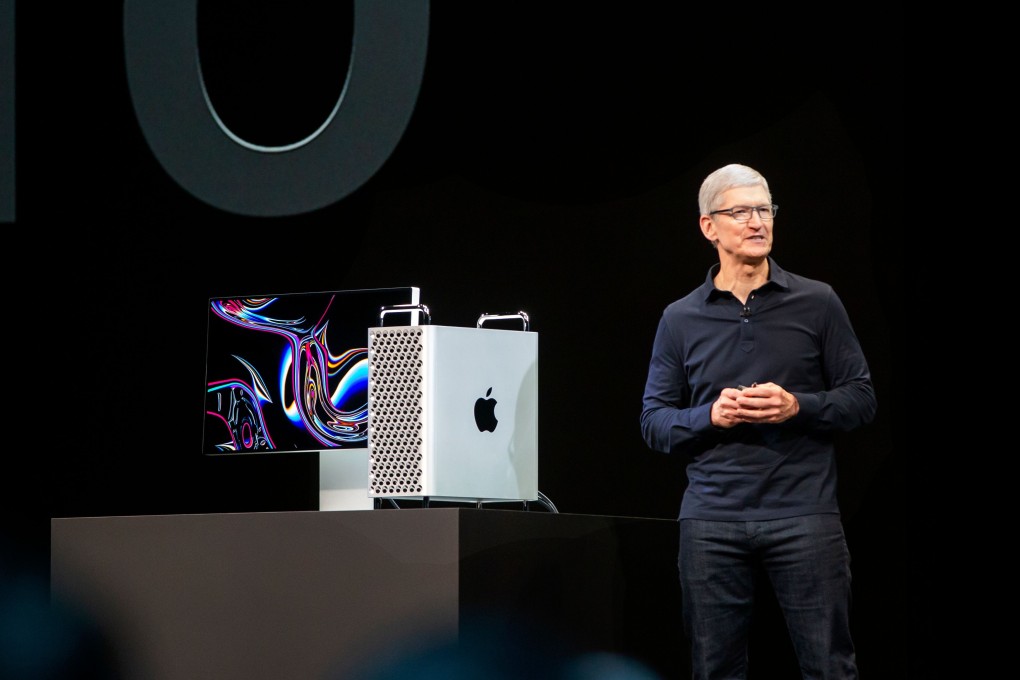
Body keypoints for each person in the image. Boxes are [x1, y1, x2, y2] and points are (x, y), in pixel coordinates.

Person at [639, 163, 876, 680]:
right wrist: (711, 415)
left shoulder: (817, 302)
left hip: (804, 515)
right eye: (740, 211)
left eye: (764, 209)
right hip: (711, 521)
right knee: (715, 670)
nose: (756, 222)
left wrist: (799, 406)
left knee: (830, 667)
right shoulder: (680, 318)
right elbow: (654, 421)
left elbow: (862, 399)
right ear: (709, 227)